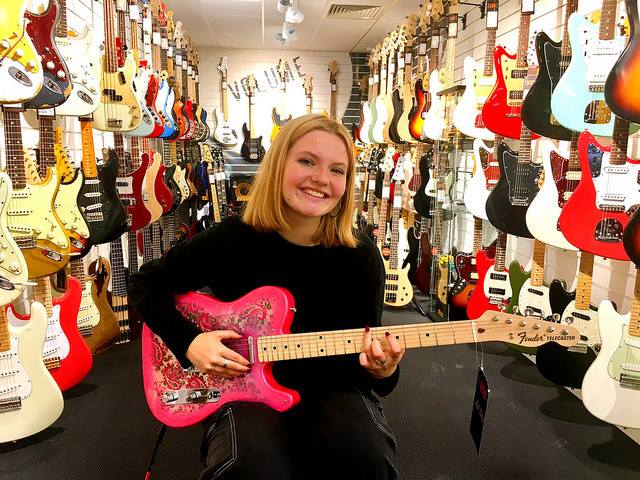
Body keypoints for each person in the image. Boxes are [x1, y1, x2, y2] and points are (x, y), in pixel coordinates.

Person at [128, 114, 404, 479]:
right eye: (307, 161)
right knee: (250, 467)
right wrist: (190, 342)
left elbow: (373, 371)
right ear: (278, 165)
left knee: (364, 459)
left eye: (338, 170)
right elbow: (145, 284)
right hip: (241, 387)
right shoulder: (231, 239)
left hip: (336, 388)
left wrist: (385, 369)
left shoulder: (362, 256)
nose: (322, 178)